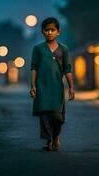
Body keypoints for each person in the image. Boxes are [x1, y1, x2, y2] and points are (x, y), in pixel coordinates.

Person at [30, 17, 75, 151]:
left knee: (58, 117)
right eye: (46, 30)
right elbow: (34, 67)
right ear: (42, 32)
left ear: (58, 32)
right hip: (42, 87)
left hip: (57, 88)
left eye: (52, 30)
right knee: (45, 115)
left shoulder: (64, 49)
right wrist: (33, 85)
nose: (49, 32)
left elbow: (68, 69)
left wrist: (71, 87)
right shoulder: (38, 49)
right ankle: (49, 141)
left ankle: (55, 135)